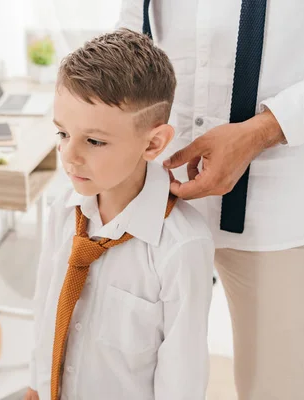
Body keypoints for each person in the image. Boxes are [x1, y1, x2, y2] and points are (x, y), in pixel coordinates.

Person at [115, 1, 304, 399]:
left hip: (280, 207)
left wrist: (265, 129)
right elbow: (130, 29)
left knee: (279, 388)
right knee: (130, 374)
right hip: (154, 193)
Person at [24, 29, 215, 400]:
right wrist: (36, 382)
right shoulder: (63, 212)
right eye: (63, 133)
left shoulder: (180, 247)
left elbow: (183, 372)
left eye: (94, 141)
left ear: (154, 142)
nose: (69, 155)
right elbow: (46, 304)